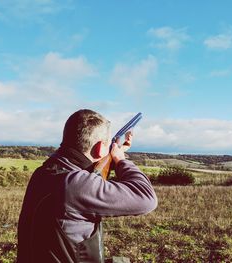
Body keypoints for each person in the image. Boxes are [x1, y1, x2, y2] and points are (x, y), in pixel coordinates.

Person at [17, 109, 158, 263]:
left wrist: (113, 154)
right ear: (99, 148)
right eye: (107, 145)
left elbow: (89, 174)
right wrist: (121, 160)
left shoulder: (43, 172)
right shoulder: (76, 185)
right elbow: (146, 198)